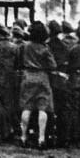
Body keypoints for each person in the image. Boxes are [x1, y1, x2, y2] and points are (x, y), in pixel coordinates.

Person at [18, 21, 58, 149]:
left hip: (27, 76)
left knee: (26, 107)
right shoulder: (45, 48)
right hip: (42, 77)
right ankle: (41, 138)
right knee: (43, 108)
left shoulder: (24, 46)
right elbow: (53, 66)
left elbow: (18, 61)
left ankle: (23, 137)